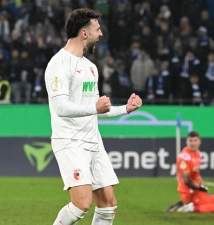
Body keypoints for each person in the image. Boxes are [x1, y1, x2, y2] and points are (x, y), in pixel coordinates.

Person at [44, 8, 142, 225]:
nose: (101, 34)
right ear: (84, 33)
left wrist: (124, 109)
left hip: (93, 142)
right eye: (98, 29)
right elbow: (60, 107)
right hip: (70, 141)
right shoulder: (59, 64)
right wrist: (95, 109)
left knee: (108, 204)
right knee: (82, 204)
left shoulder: (91, 68)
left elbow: (99, 109)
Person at [164, 131, 214, 213]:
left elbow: (196, 174)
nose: (192, 143)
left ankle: (184, 204)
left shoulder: (198, 154)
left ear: (199, 142)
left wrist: (203, 185)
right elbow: (187, 180)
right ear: (186, 142)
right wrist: (200, 187)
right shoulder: (184, 157)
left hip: (197, 191)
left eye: (195, 140)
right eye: (190, 140)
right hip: (190, 193)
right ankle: (189, 207)